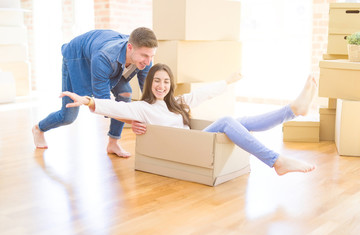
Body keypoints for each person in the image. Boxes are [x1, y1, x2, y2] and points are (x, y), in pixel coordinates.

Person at [61, 63, 316, 176]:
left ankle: (292, 110)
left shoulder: (177, 103)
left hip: (195, 144)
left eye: (166, 81)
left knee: (240, 122)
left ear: (170, 85)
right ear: (150, 84)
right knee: (228, 121)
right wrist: (88, 100)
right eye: (157, 81)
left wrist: (226, 81)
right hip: (186, 150)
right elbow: (114, 106)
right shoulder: (142, 108)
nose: (161, 86)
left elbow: (202, 94)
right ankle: (277, 160)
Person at [32, 27, 158, 158]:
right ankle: (38, 128)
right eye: (144, 56)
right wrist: (134, 121)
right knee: (68, 116)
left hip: (108, 60)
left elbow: (149, 93)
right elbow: (103, 105)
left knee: (125, 94)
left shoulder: (145, 57)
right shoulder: (104, 57)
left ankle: (113, 143)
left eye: (151, 56)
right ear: (130, 47)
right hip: (77, 57)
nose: (148, 62)